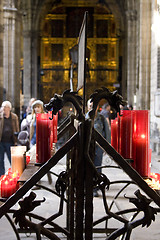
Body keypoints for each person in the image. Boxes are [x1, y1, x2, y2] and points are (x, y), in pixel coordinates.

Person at [86, 100, 111, 197]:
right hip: (87, 147)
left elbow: (107, 133)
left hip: (98, 147)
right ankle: (87, 187)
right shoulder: (85, 118)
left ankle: (95, 188)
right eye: (90, 106)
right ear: (88, 107)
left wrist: (107, 146)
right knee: (88, 167)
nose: (92, 108)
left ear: (97, 107)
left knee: (97, 167)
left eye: (94, 106)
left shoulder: (101, 118)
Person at [0, 101, 19, 176]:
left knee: (12, 160)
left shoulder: (14, 117)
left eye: (5, 107)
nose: (3, 108)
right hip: (1, 142)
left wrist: (16, 141)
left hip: (10, 142)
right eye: (2, 107)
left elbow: (17, 128)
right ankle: (2, 176)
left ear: (9, 108)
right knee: (0, 160)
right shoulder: (0, 116)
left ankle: (14, 175)